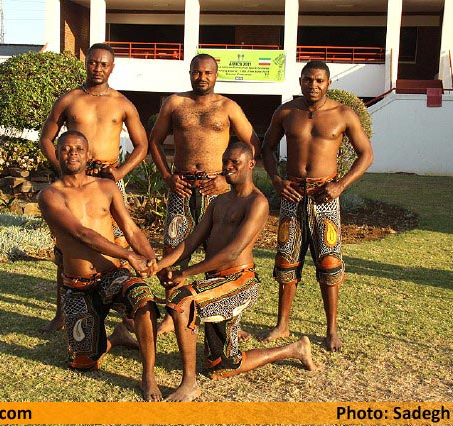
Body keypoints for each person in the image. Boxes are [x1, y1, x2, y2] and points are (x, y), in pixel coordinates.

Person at [156, 142, 316, 402]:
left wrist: (187, 273)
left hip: (240, 281)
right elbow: (190, 242)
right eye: (225, 161)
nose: (228, 167)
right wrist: (160, 265)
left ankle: (189, 384)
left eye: (235, 162)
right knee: (222, 365)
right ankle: (295, 349)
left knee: (182, 302)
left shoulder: (257, 202)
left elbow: (232, 253)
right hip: (215, 283)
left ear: (251, 164)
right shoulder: (219, 201)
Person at [37, 130, 161, 402]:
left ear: (89, 155)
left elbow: (130, 228)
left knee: (143, 298)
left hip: (111, 276)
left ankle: (148, 375)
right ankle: (117, 337)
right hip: (77, 286)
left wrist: (152, 260)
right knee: (85, 363)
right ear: (56, 154)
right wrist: (129, 255)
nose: (72, 154)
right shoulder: (49, 195)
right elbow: (82, 234)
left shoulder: (107, 187)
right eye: (66, 149)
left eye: (79, 149)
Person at [261, 60, 374, 352]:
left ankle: (331, 329)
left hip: (326, 196)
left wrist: (341, 185)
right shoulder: (286, 112)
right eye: (308, 80)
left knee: (329, 262)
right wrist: (277, 180)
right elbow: (267, 148)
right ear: (300, 81)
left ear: (328, 83)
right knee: (286, 259)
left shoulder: (343, 114)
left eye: (319, 80)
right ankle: (282, 324)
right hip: (293, 195)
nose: (313, 85)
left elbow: (366, 154)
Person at [39, 43, 149, 333]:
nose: (97, 69)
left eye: (103, 64)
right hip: (74, 179)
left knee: (121, 241)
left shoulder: (123, 104)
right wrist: (62, 170)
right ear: (85, 63)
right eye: (92, 63)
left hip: (108, 180)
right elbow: (47, 139)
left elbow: (142, 145)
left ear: (112, 68)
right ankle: (62, 313)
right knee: (67, 245)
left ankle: (127, 318)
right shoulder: (70, 99)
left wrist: (119, 172)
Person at [149, 53, 261, 335]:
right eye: (197, 72)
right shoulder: (175, 103)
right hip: (182, 186)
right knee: (175, 246)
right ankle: (171, 312)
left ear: (216, 74)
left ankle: (228, 317)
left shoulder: (228, 107)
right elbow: (154, 141)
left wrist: (225, 178)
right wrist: (167, 176)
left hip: (216, 188)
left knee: (219, 249)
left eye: (208, 72)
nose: (202, 77)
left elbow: (253, 143)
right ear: (190, 73)